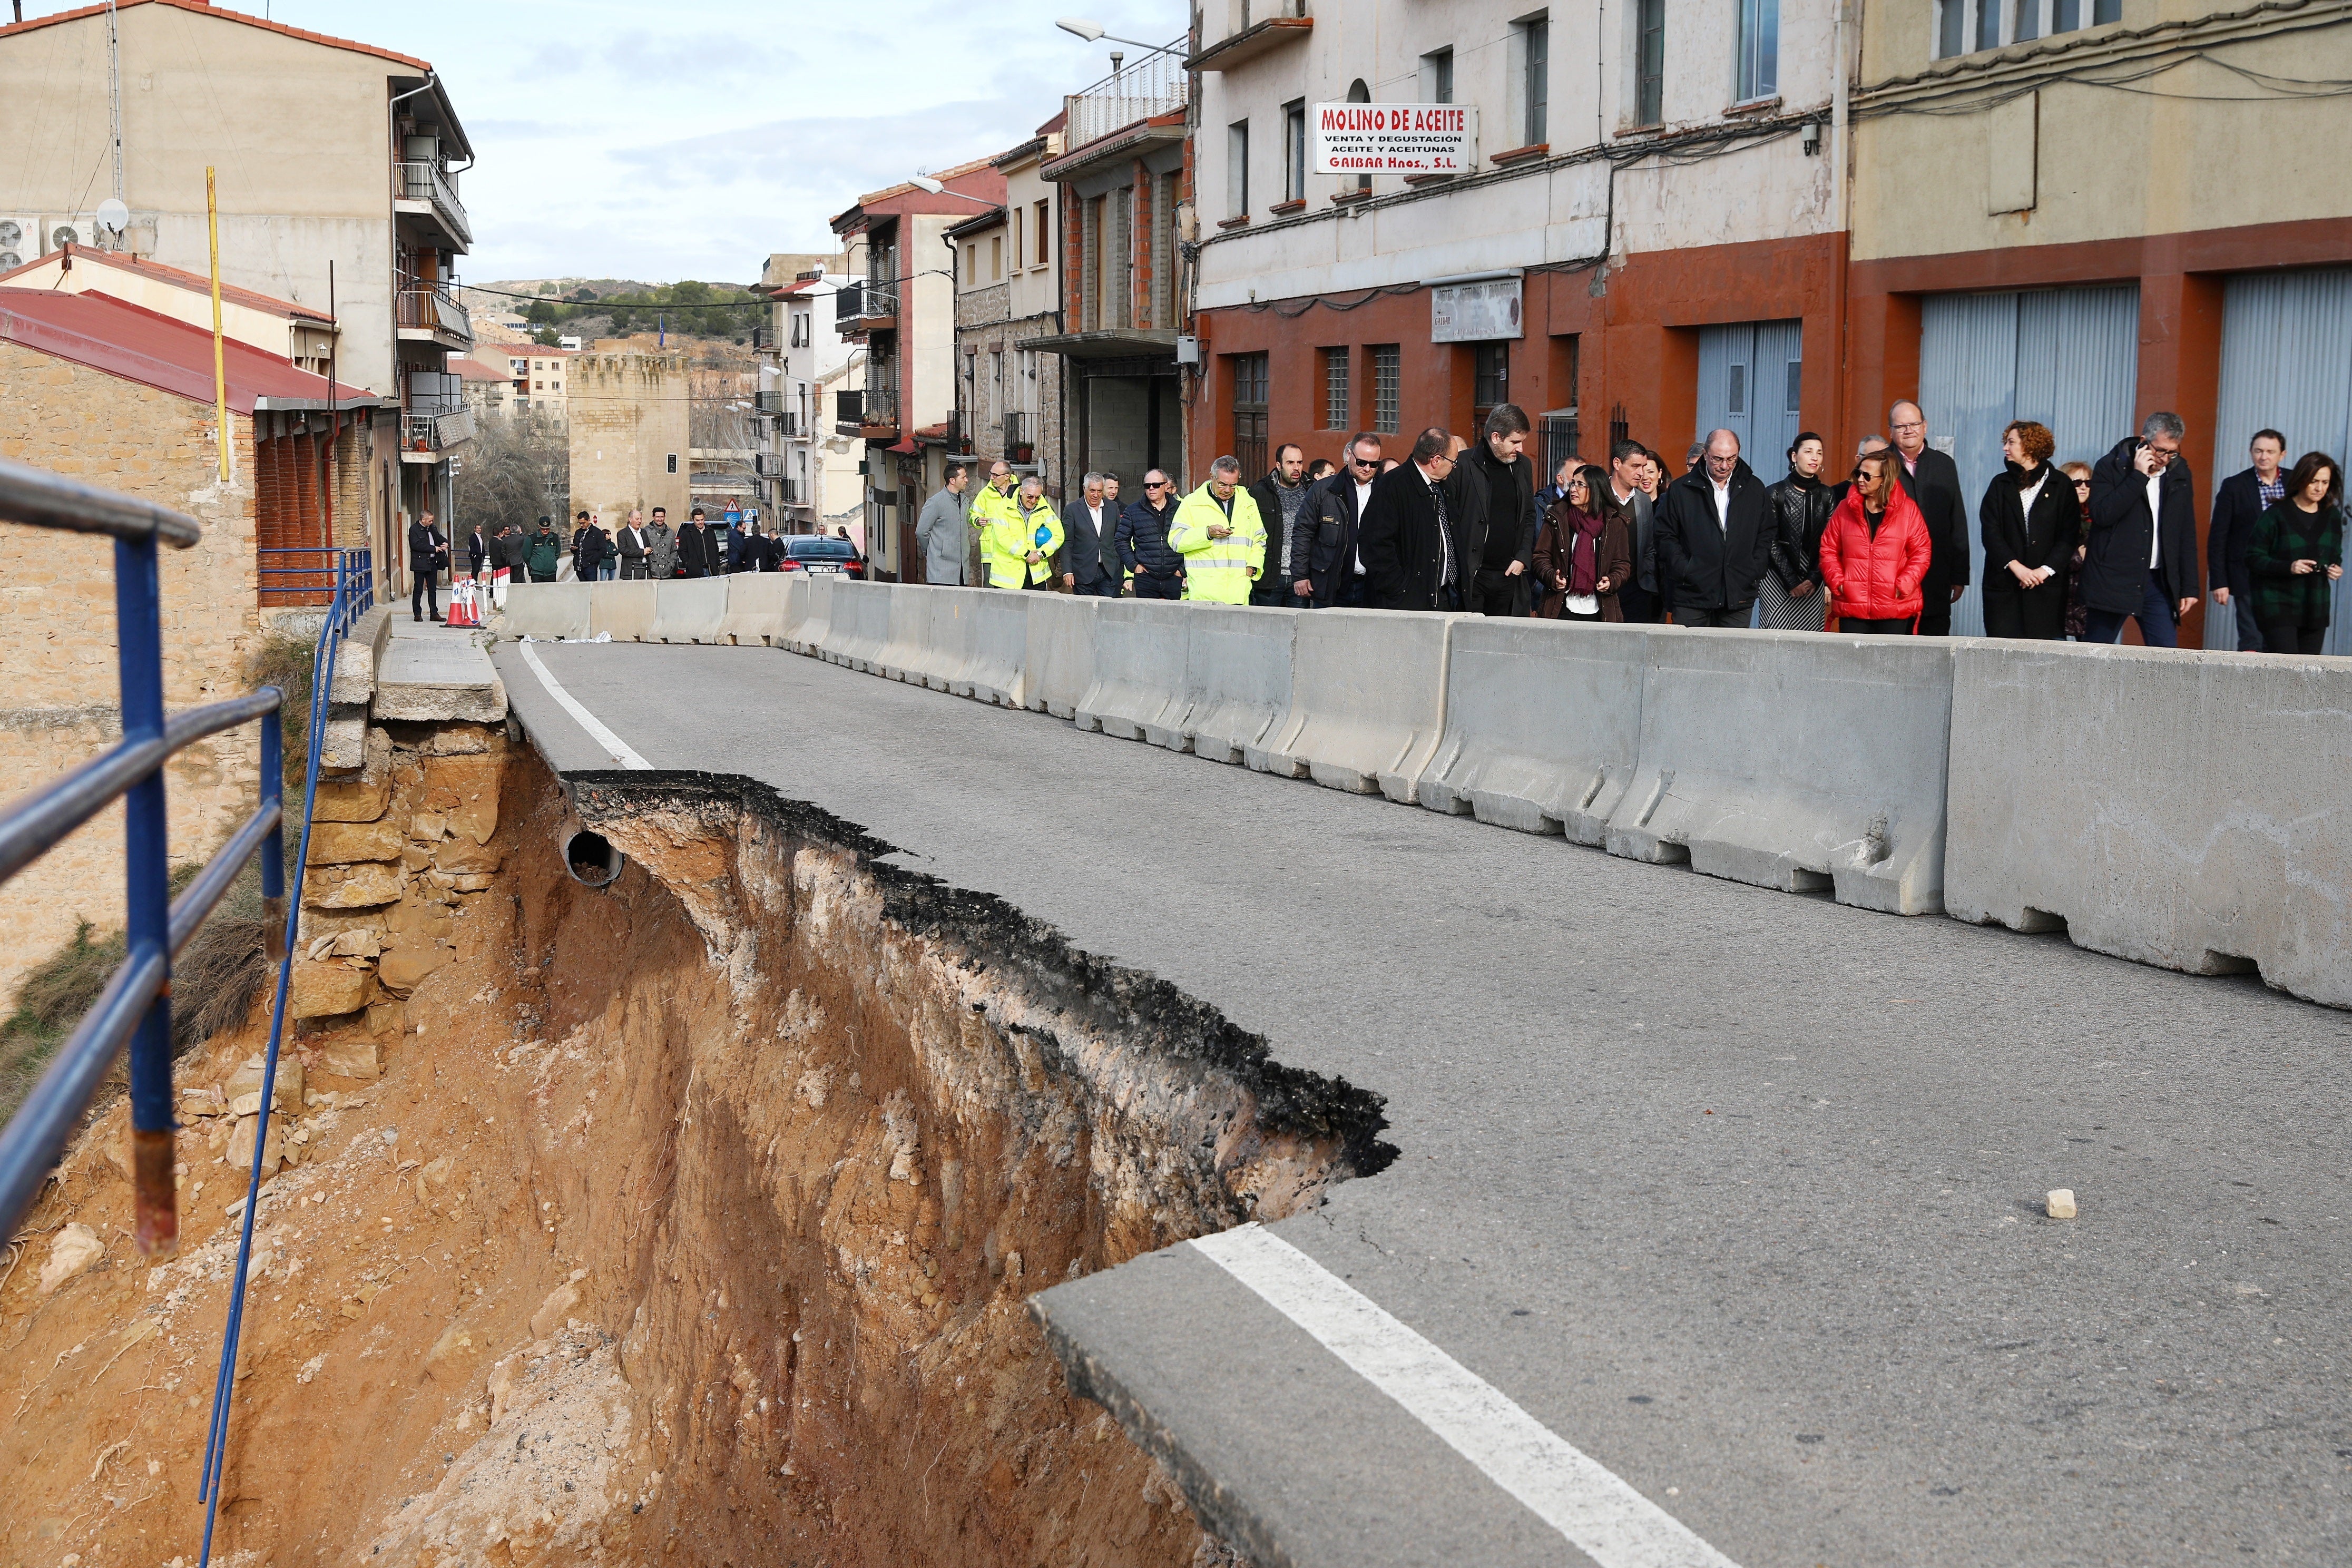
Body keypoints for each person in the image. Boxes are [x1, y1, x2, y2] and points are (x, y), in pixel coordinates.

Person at [2081, 411, 2199, 647]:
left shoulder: (2179, 472)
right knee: (2094, 652)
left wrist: (2189, 586)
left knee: (2167, 658)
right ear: (2144, 441)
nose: (2166, 458)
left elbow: (2185, 531)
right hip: (2113, 578)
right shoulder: (2112, 465)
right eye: (2161, 450)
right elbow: (2102, 515)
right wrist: (2137, 477)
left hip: (2157, 582)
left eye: (2173, 452)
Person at [1655, 429, 1772, 626]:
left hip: (1738, 594)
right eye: (1718, 459)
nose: (1725, 466)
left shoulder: (1754, 488)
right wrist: (1686, 569)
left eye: (1732, 459)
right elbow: (1665, 535)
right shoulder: (1681, 490)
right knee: (1688, 655)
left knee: (1732, 655)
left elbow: (1766, 532)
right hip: (1691, 595)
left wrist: (1754, 568)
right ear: (1706, 455)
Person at [1977, 419, 2080, 641]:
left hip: (2046, 590)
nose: (2005, 448)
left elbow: (2069, 535)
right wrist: (2016, 567)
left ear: (2030, 446)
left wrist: (2043, 571)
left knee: (2042, 660)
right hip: (2005, 587)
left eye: (2011, 442)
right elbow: (1991, 532)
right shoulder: (2000, 485)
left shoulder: (2061, 485)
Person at [1818, 448, 1931, 634]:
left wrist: (1902, 586)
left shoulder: (1908, 511)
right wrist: (1839, 583)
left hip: (1893, 607)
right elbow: (1828, 549)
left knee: (1890, 663)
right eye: (1858, 473)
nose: (1860, 479)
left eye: (1867, 476)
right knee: (1853, 663)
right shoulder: (1845, 508)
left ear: (1884, 479)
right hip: (1853, 606)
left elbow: (1921, 553)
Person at [2244, 450, 2344, 655]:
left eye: (2325, 483)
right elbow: (2253, 557)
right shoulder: (2276, 514)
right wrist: (2289, 567)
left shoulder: (2331, 516)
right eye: (2314, 481)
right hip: (2277, 604)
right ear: (2301, 479)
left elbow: (2334, 554)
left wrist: (2334, 568)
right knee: (2284, 668)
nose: (2319, 488)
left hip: (2315, 605)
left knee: (2309, 672)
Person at [1887, 401, 1971, 635]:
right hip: (1891, 578)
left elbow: (1957, 520)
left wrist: (1960, 574)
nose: (1909, 430)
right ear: (1891, 431)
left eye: (1914, 424)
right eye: (1901, 426)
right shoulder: (1881, 465)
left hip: (1936, 574)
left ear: (1925, 426)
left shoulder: (1944, 465)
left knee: (1934, 646)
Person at [1358, 427, 1460, 611]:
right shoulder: (1393, 486)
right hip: (1404, 603)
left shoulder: (1444, 487)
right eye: (1453, 462)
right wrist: (1399, 589)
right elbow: (1374, 544)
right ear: (1436, 461)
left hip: (1441, 598)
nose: (1454, 467)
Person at [2209, 429, 2288, 651]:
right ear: (2251, 453)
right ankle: (2250, 684)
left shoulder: (2295, 483)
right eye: (2259, 451)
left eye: (2270, 452)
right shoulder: (2234, 486)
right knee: (2252, 641)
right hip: (2247, 575)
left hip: (2286, 576)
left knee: (2281, 641)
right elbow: (2218, 537)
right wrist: (2219, 581)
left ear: (2282, 454)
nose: (2264, 457)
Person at [1458, 405, 1539, 616]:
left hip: (1509, 575)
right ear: (1496, 437)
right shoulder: (1464, 464)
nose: (1520, 448)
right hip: (1473, 576)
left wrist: (1523, 557)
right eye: (1515, 442)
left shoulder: (1523, 466)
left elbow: (1529, 516)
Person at [1532, 463, 1632, 621]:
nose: (1573, 489)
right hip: (1560, 607)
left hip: (1601, 609)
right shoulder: (1557, 517)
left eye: (1580, 485)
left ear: (1596, 489)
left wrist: (1611, 581)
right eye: (1573, 483)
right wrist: (1552, 577)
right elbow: (1540, 557)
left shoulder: (1614, 522)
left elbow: (1622, 565)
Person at [1292, 433, 1381, 607]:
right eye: (1362, 462)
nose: (1368, 468)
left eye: (1375, 464)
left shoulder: (1387, 490)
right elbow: (1303, 533)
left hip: (1373, 587)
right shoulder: (1323, 490)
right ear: (1349, 455)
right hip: (1331, 584)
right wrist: (1301, 576)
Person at [1761, 431, 1835, 632]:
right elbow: (1769, 540)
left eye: (1819, 453)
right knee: (1776, 638)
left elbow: (1830, 543)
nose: (1815, 457)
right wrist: (1792, 581)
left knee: (1809, 642)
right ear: (1794, 456)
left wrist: (1814, 579)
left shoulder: (1827, 495)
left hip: (1813, 579)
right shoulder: (1775, 492)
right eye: (1808, 451)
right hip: (1777, 578)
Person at [1169, 455, 1267, 603]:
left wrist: (1252, 567)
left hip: (1239, 593)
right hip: (1204, 594)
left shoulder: (1248, 502)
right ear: (1212, 477)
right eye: (1222, 484)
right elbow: (1176, 541)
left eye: (1233, 485)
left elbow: (1260, 539)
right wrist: (1207, 533)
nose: (1228, 490)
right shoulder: (1192, 502)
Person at [1598, 440, 1661, 624]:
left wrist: (1647, 581)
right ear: (1617, 464)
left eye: (1643, 466)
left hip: (1637, 590)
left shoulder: (1644, 501)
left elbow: (1648, 546)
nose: (1641, 473)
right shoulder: (1598, 496)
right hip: (1602, 588)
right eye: (1635, 466)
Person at [1248, 444, 1312, 606]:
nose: (1296, 468)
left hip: (1301, 577)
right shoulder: (1261, 492)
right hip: (1269, 577)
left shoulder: (1311, 490)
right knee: (1265, 629)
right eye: (1290, 463)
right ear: (1278, 465)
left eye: (1300, 462)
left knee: (1299, 629)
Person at [1119, 468, 1185, 599]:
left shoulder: (1181, 509)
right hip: (1146, 578)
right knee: (1146, 618)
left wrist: (1182, 570)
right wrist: (1134, 566)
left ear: (1166, 486)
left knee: (1173, 617)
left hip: (1174, 577)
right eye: (1147, 486)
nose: (1151, 489)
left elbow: (1190, 539)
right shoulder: (1133, 511)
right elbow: (1121, 540)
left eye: (1156, 485)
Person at [1062, 471, 1124, 596]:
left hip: (1109, 572)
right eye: (1092, 491)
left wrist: (1120, 567)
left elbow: (1119, 538)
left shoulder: (1113, 508)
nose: (1096, 495)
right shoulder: (1072, 510)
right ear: (1084, 489)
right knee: (1085, 612)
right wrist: (1067, 571)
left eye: (1100, 491)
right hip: (1083, 572)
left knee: (1108, 610)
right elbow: (1067, 543)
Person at [971, 461, 1022, 589]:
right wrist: (977, 520)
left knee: (1011, 586)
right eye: (991, 474)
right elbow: (973, 513)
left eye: (995, 475)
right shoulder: (985, 493)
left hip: (1012, 549)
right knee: (989, 585)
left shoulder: (1020, 492)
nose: (991, 478)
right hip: (991, 550)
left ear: (1007, 476)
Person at [916, 464, 971, 585]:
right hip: (941, 573)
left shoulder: (965, 501)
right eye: (963, 478)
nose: (967, 480)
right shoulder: (936, 502)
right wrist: (930, 552)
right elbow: (921, 532)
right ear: (952, 480)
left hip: (962, 572)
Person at [1008, 476, 1064, 589]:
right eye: (1030, 496)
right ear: (1021, 491)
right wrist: (1026, 554)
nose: (1033, 501)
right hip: (1010, 576)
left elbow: (1059, 535)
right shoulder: (1004, 507)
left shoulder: (1044, 508)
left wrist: (1041, 553)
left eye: (1037, 497)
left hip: (1037, 575)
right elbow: (1003, 538)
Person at [2059, 462, 2093, 639]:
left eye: (2088, 483)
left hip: (2086, 602)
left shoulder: (2097, 518)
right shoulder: (2056, 517)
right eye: (2077, 482)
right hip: (2059, 600)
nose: (2083, 487)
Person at [408, 510, 448, 623]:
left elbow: (439, 538)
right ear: (423, 520)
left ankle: (434, 614)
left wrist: (445, 543)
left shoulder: (432, 528)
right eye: (429, 520)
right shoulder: (414, 529)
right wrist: (433, 548)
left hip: (432, 563)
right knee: (419, 589)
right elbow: (416, 545)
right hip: (420, 564)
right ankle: (417, 614)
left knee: (433, 590)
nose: (431, 522)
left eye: (432, 520)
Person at [676, 507, 720, 578]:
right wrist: (688, 563)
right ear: (693, 519)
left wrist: (717, 563)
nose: (700, 522)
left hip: (711, 570)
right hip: (695, 570)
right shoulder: (687, 533)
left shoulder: (710, 531)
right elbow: (682, 551)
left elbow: (715, 549)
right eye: (697, 520)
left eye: (702, 520)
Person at [614, 509, 650, 579]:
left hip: (645, 570)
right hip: (631, 571)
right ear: (630, 519)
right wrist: (642, 552)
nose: (639, 521)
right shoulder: (622, 533)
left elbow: (648, 545)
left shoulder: (644, 532)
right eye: (637, 519)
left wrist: (650, 549)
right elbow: (623, 550)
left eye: (641, 519)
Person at [574, 513, 609, 583]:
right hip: (579, 567)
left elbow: (603, 550)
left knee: (591, 588)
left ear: (589, 521)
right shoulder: (578, 532)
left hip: (591, 567)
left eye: (583, 523)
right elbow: (576, 549)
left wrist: (592, 560)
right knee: (582, 589)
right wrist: (573, 549)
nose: (581, 525)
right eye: (580, 523)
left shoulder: (597, 533)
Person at [645, 507, 678, 580]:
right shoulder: (646, 531)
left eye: (662, 517)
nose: (660, 519)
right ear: (653, 517)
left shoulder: (670, 532)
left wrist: (671, 565)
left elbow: (674, 551)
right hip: (651, 573)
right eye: (657, 517)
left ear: (665, 517)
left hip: (667, 573)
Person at [526, 516, 561, 584]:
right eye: (543, 529)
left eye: (547, 529)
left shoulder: (555, 538)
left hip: (551, 573)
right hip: (537, 573)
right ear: (539, 526)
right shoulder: (532, 538)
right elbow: (526, 555)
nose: (545, 531)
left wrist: (551, 562)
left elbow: (557, 553)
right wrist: (533, 564)